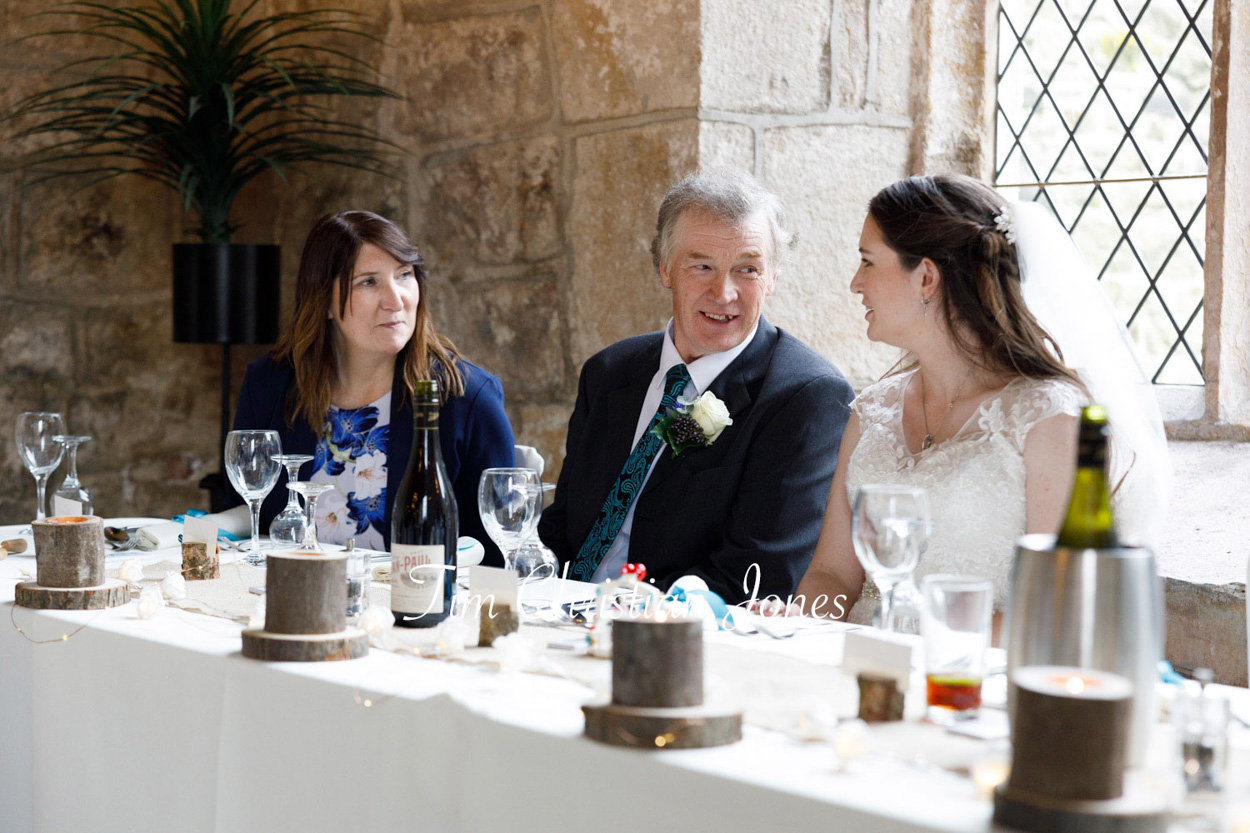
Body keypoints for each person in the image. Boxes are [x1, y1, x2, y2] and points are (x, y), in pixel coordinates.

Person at [789, 174, 1169, 623]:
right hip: (862, 670)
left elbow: (1054, 616)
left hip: (970, 677)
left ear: (926, 276)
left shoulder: (1048, 419)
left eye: (868, 262)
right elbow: (832, 576)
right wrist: (800, 626)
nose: (856, 283)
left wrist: (914, 644)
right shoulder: (873, 412)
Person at [537, 170, 855, 604]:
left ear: (773, 277)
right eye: (702, 265)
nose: (724, 293)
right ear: (665, 267)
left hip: (676, 638)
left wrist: (613, 617)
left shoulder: (805, 397)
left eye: (747, 269)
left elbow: (757, 575)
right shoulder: (609, 371)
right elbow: (563, 526)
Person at [227, 210, 516, 560]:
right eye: (368, 282)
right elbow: (245, 518)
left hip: (414, 608)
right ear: (325, 302)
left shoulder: (467, 397)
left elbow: (501, 552)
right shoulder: (270, 385)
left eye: (404, 275)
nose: (396, 300)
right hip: (290, 598)